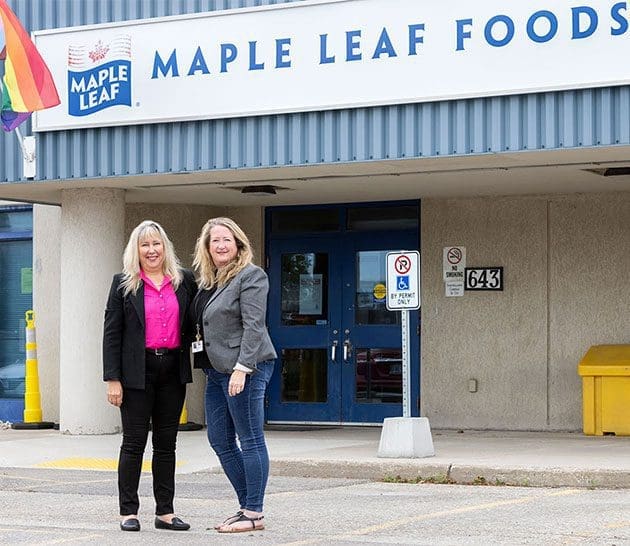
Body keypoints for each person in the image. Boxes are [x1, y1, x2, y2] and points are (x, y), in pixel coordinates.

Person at [103, 220, 197, 532]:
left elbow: (198, 320)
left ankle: (165, 512)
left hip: (172, 369)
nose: (151, 250)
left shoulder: (184, 281)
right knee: (133, 444)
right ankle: (128, 512)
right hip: (135, 372)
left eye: (156, 244)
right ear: (136, 250)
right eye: (145, 245)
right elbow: (112, 334)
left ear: (165, 247)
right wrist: (112, 378)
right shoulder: (123, 284)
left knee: (166, 444)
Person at [190, 217, 277, 533]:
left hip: (246, 369)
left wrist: (242, 369)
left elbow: (255, 326)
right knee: (219, 439)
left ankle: (253, 512)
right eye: (215, 241)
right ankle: (247, 507)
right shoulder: (209, 282)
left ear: (238, 244)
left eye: (227, 239)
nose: (221, 245)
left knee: (250, 437)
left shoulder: (251, 276)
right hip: (215, 371)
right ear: (207, 247)